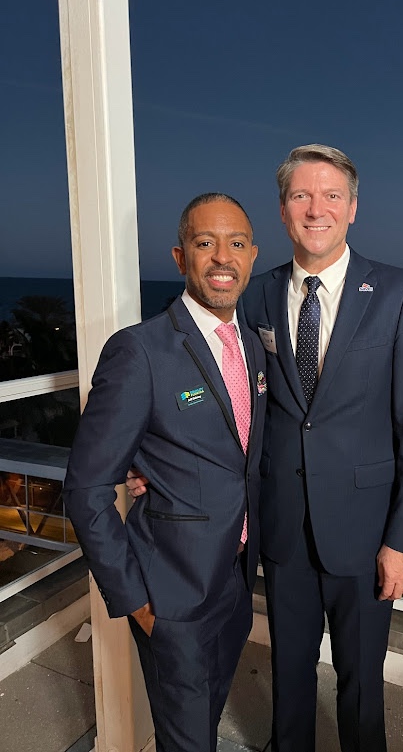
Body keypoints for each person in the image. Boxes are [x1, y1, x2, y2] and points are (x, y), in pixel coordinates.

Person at [130, 145, 403, 752]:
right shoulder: (256, 292)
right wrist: (149, 455)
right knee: (288, 674)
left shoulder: (400, 293)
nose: (315, 208)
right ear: (282, 210)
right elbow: (211, 384)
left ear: (353, 208)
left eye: (331, 196)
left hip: (365, 529)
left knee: (360, 684)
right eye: (301, 195)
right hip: (281, 529)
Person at [63, 193, 266, 752]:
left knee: (205, 719)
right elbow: (85, 489)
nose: (222, 257)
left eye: (236, 244)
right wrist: (135, 601)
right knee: (185, 740)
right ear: (180, 257)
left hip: (234, 579)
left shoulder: (252, 349)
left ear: (253, 256)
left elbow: (238, 454)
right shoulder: (140, 351)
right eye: (205, 243)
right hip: (171, 596)